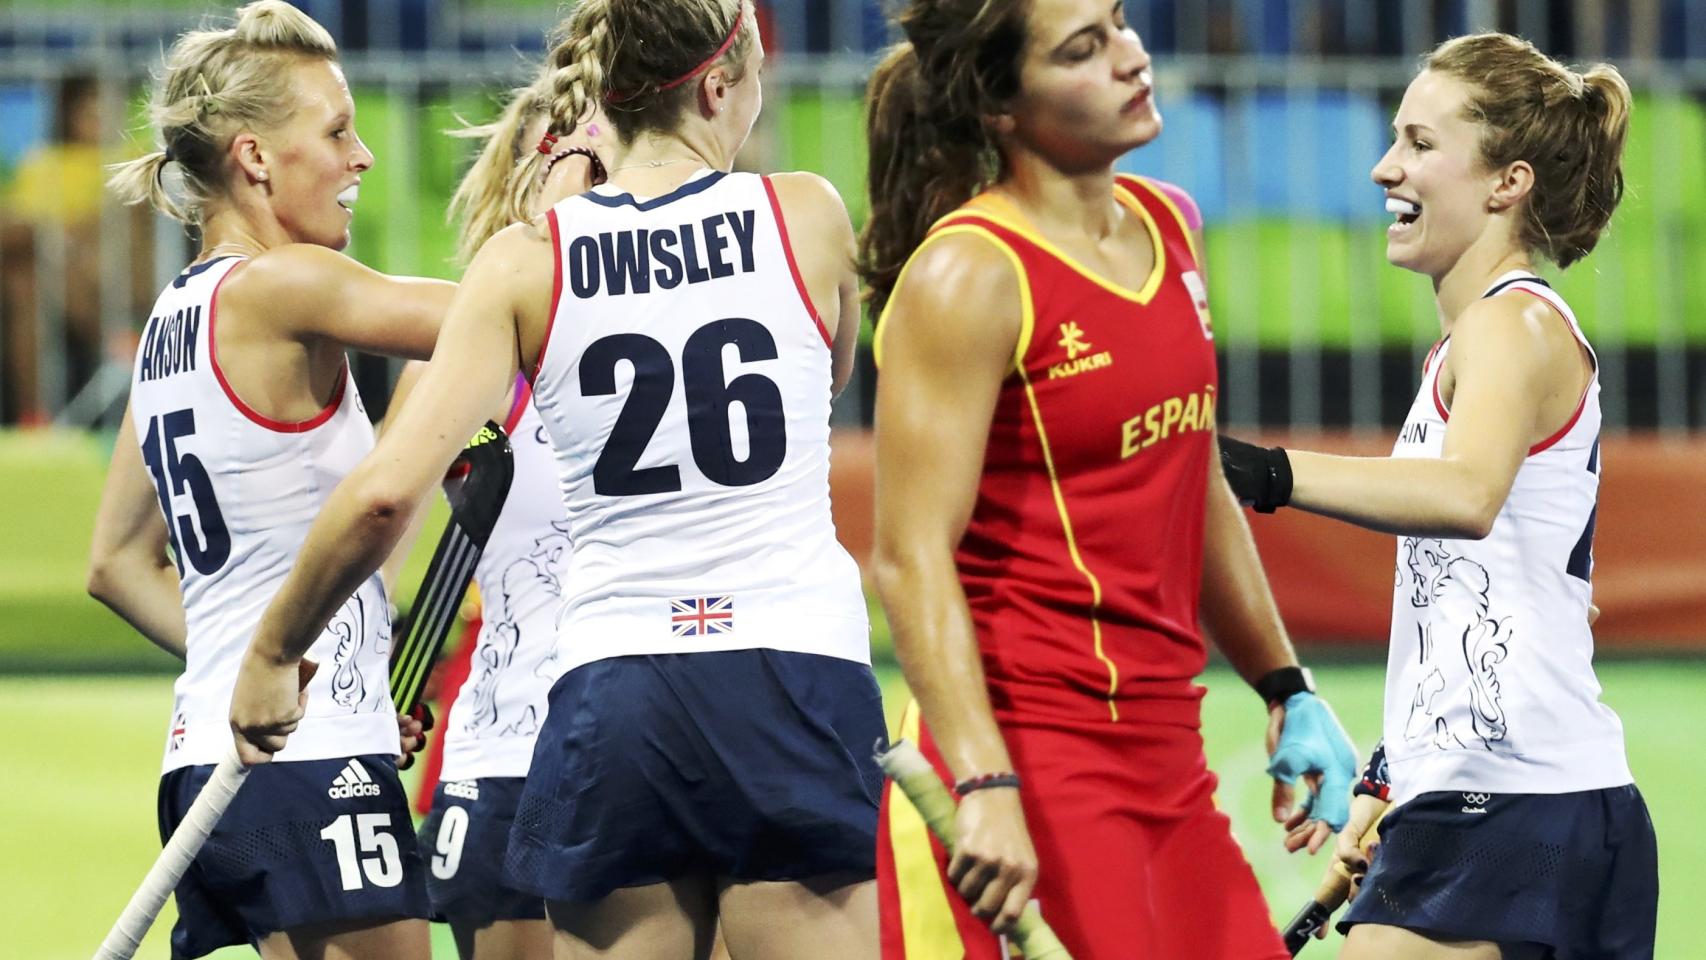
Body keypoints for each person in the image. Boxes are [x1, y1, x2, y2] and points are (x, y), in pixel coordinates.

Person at [227, 2, 881, 958]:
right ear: (717, 86)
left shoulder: (525, 264)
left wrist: (273, 651)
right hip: (792, 669)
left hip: (621, 683)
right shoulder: (809, 214)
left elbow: (385, 493)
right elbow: (830, 372)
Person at [859, 2, 1358, 958]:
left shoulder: (1172, 224)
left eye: (1120, 23)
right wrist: (984, 783)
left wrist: (1284, 684)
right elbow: (910, 557)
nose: (1131, 57)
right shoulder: (967, 276)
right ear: (1001, 105)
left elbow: (1193, 478)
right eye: (1083, 50)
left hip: (1168, 759)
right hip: (1025, 769)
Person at [1218, 32, 1658, 960]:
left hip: (1508, 810)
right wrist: (1393, 777)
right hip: (1523, 801)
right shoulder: (1479, 343)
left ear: (1508, 183)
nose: (1385, 167)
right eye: (1395, 139)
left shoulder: (1512, 322)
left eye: (1420, 143)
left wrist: (1261, 471)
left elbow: (1466, 495)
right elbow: (1492, 605)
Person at [88, 3, 457, 956]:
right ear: (254, 157)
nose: (361, 157)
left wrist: (283, 669)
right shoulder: (288, 284)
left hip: (210, 754)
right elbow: (503, 316)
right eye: (337, 132)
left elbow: (116, 564)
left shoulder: (171, 321)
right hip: (305, 763)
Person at [399, 79, 608, 960]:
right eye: (562, 154)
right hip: (513, 756)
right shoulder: (464, 355)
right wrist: (379, 687)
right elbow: (382, 527)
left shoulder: (701, 327)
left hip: (672, 741)